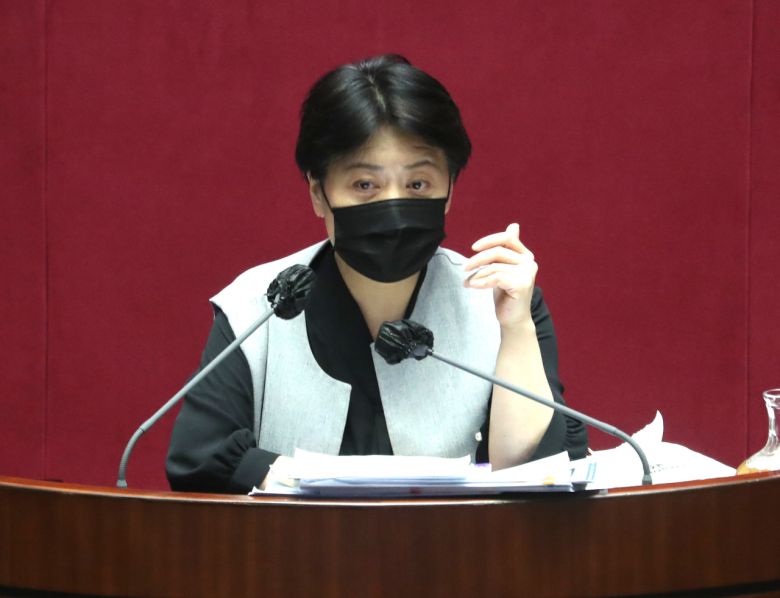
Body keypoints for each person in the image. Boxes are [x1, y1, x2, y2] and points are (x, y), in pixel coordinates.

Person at [166, 54, 588, 493]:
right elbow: (201, 458)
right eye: (365, 185)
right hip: (296, 539)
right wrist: (315, 485)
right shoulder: (258, 306)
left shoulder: (496, 299)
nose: (393, 206)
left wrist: (516, 329)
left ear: (449, 191)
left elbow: (539, 472)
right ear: (318, 193)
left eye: (418, 185)